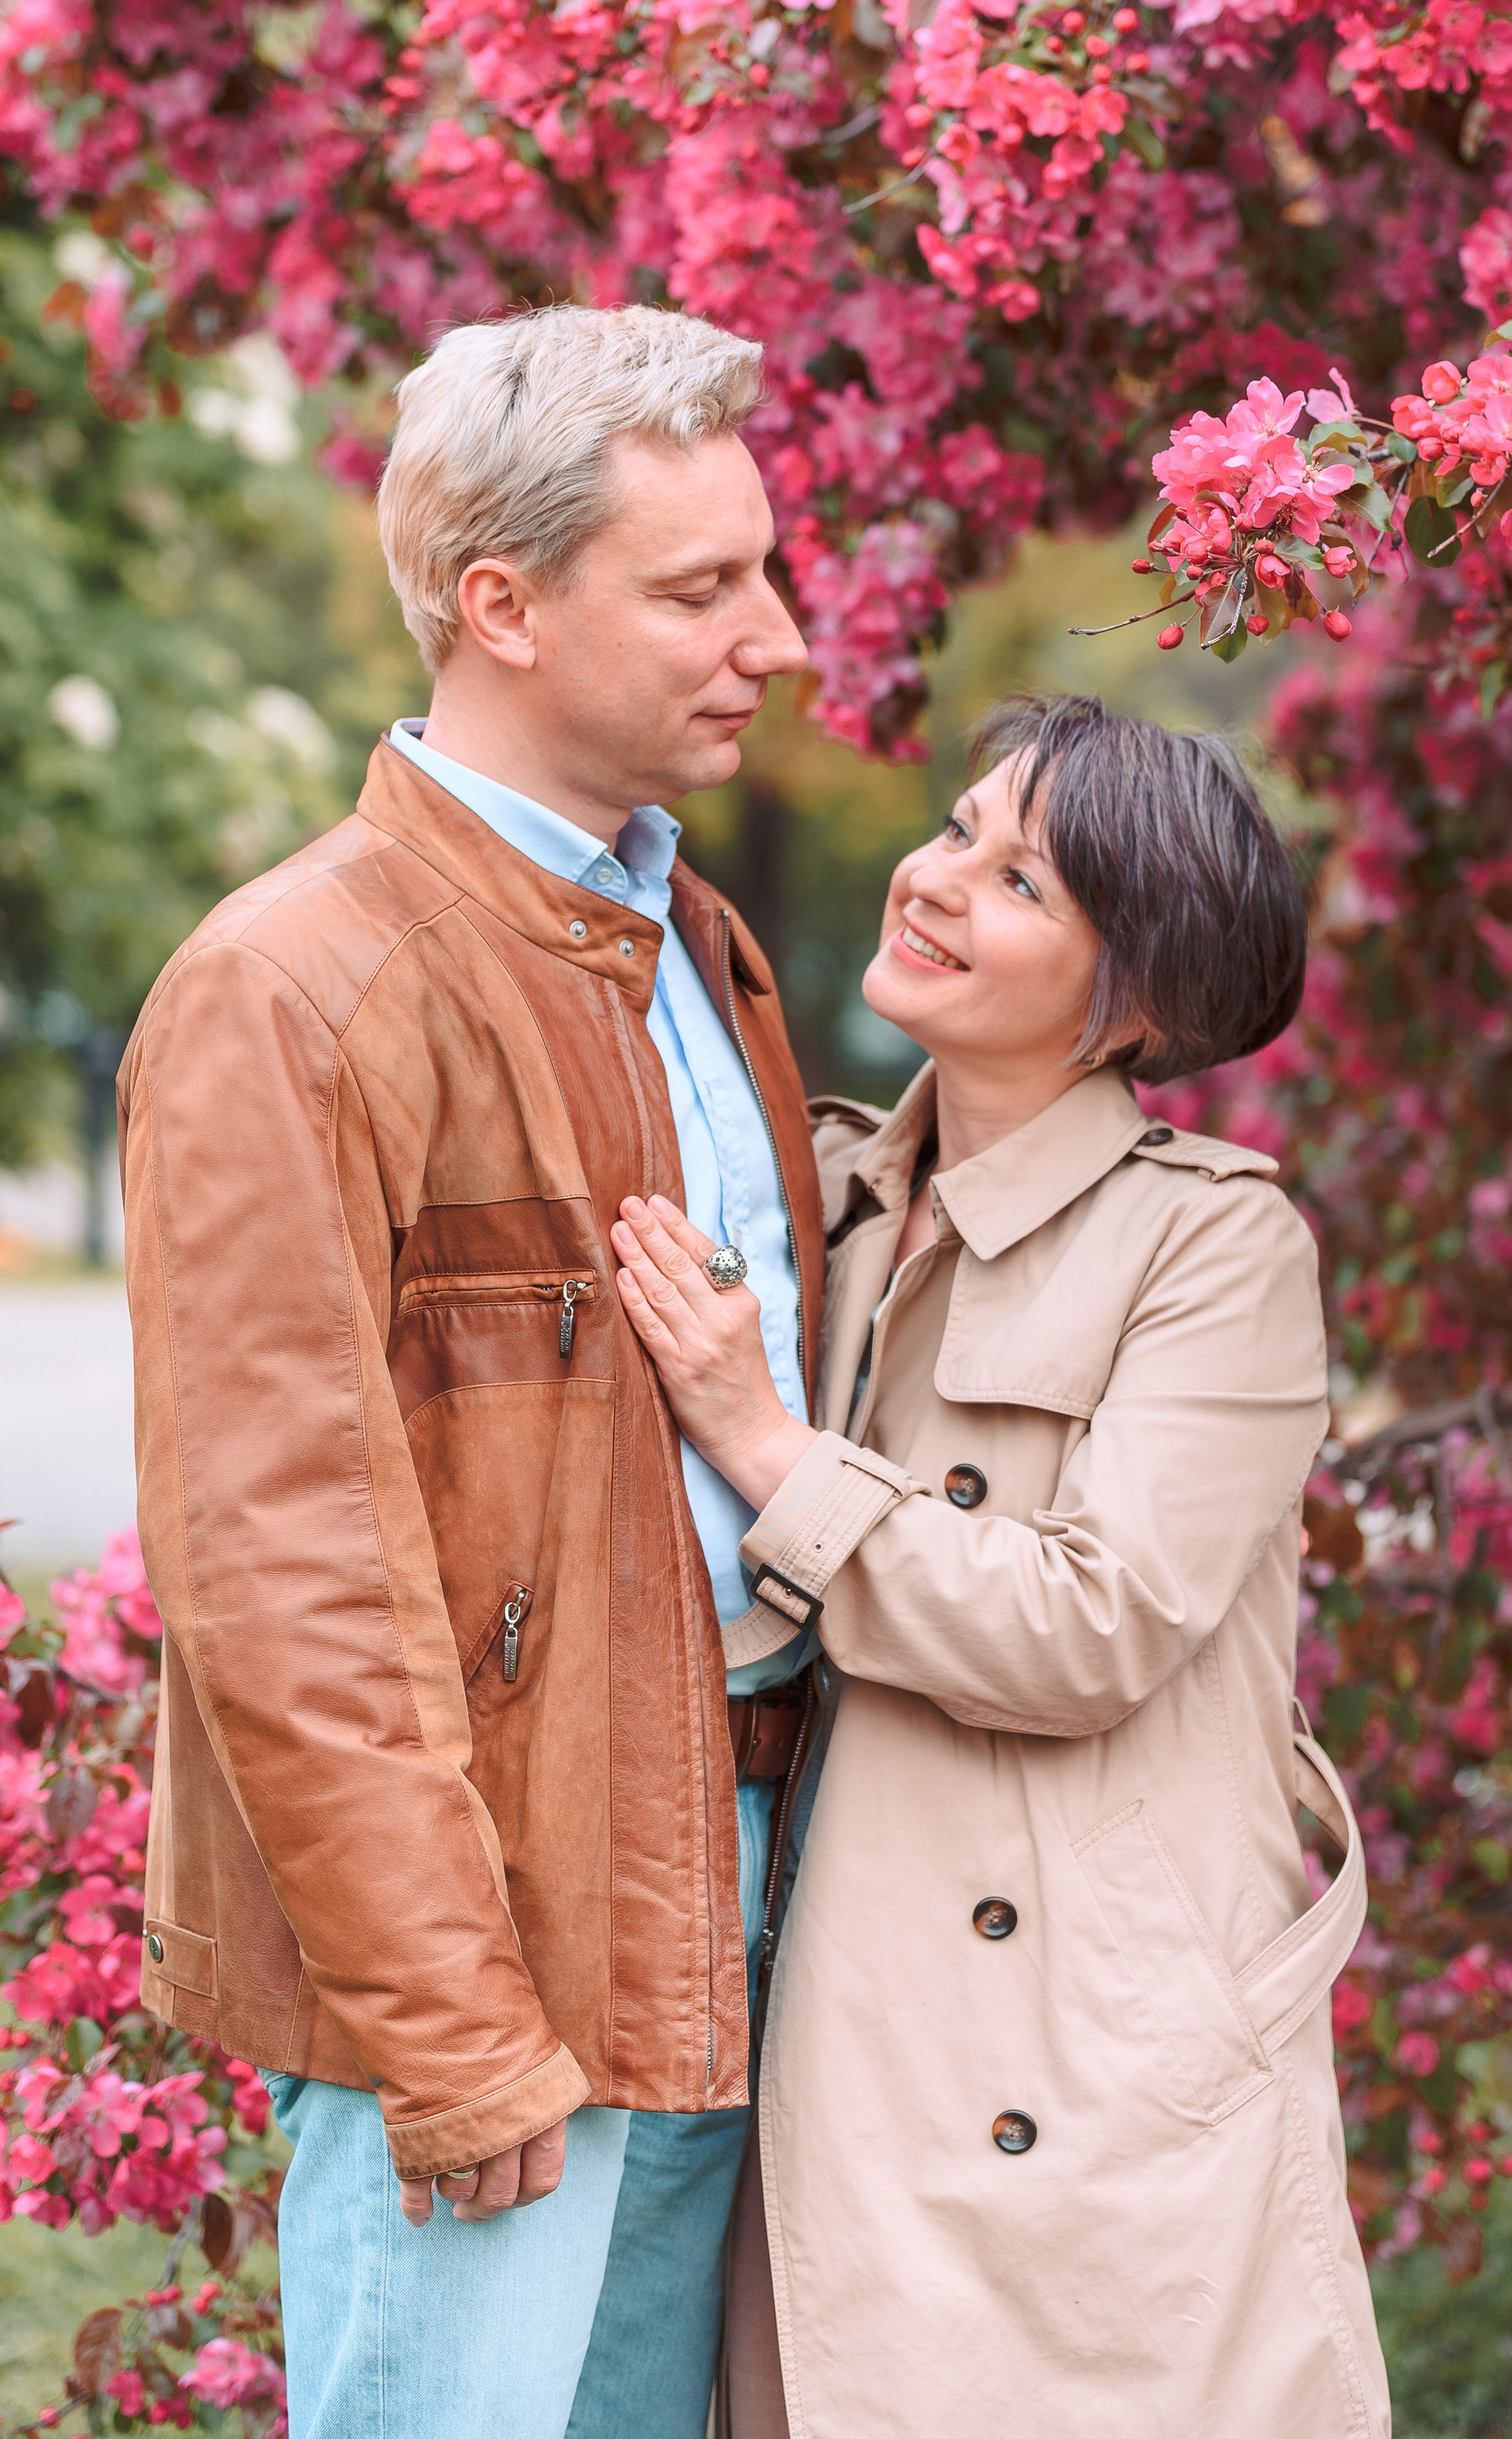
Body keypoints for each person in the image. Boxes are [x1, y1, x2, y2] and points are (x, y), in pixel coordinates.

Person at [117, 304, 827, 2439]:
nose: (775, 637)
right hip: (496, 1934)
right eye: (702, 586)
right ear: (499, 605)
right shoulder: (295, 986)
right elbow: (284, 1563)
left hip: (742, 1862)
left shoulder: (693, 940)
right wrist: (450, 2021)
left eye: (765, 570)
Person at [608, 692, 1393, 2439]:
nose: (938, 880)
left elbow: (1087, 1623)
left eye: (1021, 879)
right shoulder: (829, 1198)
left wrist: (767, 1446)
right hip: (835, 2025)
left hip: (1071, 2058)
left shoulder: (1213, 1247)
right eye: (959, 828)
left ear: (1133, 1000)